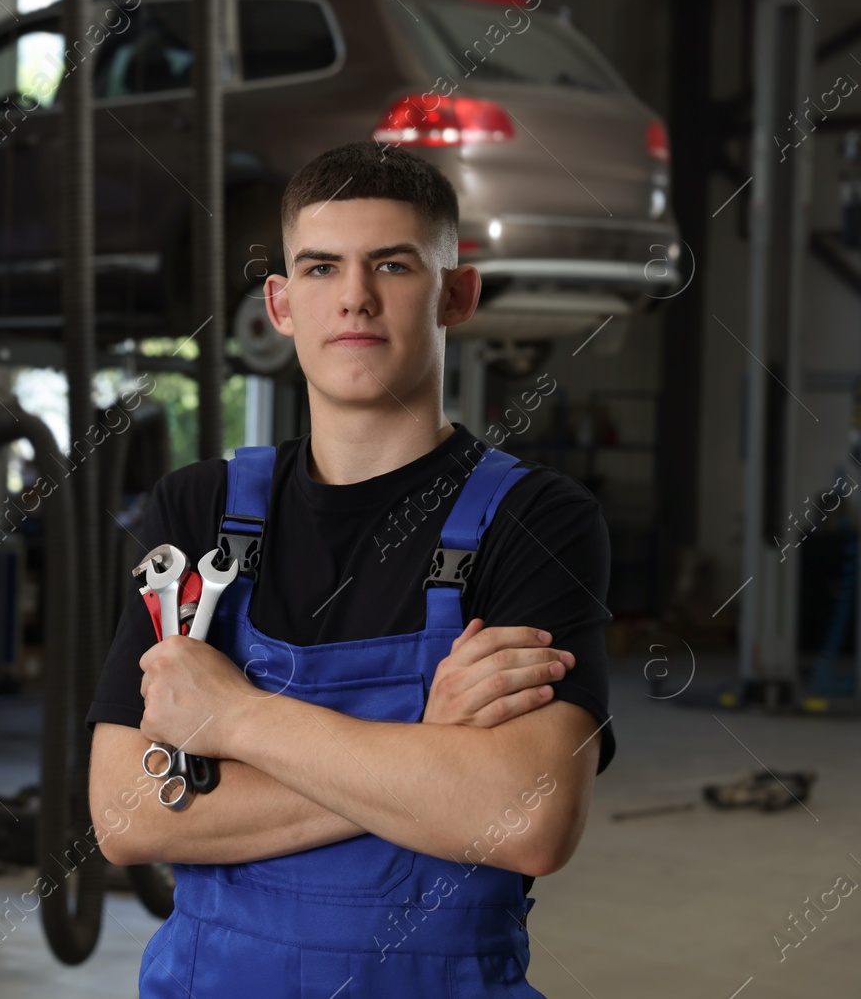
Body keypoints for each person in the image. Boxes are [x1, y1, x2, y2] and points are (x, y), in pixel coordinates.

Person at [85, 140, 614, 997]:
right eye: (322, 266)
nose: (355, 297)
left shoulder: (539, 520)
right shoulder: (198, 506)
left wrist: (235, 718)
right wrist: (430, 757)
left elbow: (527, 820)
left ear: (457, 291)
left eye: (394, 265)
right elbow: (124, 814)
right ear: (281, 303)